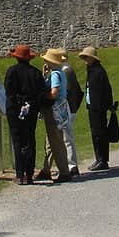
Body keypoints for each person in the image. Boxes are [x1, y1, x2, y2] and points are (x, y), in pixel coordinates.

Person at [3, 44, 47, 185]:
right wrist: (33, 105)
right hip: (31, 109)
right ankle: (29, 173)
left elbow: (9, 92)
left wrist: (18, 103)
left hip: (15, 110)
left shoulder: (12, 72)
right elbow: (41, 93)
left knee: (18, 141)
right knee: (30, 139)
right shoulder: (36, 73)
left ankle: (20, 174)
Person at [37, 48, 82, 177]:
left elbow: (54, 92)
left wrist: (44, 96)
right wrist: (45, 75)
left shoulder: (56, 74)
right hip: (62, 107)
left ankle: (64, 169)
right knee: (54, 138)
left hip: (55, 108)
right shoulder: (60, 72)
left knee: (56, 137)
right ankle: (47, 168)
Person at [80, 45, 114, 170]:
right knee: (95, 133)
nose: (85, 60)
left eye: (87, 57)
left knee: (100, 134)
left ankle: (103, 160)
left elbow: (106, 89)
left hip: (98, 107)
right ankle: (98, 158)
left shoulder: (98, 71)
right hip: (92, 106)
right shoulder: (91, 70)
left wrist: (107, 105)